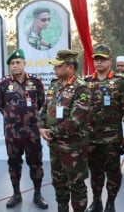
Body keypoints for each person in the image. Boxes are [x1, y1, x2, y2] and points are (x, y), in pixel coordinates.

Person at [38, 49, 91, 212]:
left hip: (73, 148)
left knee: (76, 185)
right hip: (55, 147)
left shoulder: (81, 88)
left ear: (69, 67)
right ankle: (62, 207)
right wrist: (41, 126)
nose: (54, 69)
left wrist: (51, 132)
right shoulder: (54, 85)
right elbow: (45, 108)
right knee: (58, 182)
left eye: (58, 66)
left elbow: (76, 119)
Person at [84, 44, 124, 212]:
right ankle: (96, 200)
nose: (99, 62)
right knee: (95, 172)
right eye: (96, 59)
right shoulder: (86, 81)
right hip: (91, 138)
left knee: (113, 172)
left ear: (110, 61)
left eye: (102, 59)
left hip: (112, 138)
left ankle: (111, 202)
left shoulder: (120, 81)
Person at [0, 48, 48, 209]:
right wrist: (13, 118)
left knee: (36, 163)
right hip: (13, 133)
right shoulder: (3, 83)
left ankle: (38, 194)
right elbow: (0, 105)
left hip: (32, 131)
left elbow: (41, 103)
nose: (15, 65)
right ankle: (16, 194)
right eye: (12, 63)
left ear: (25, 64)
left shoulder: (36, 81)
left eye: (18, 62)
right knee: (14, 163)